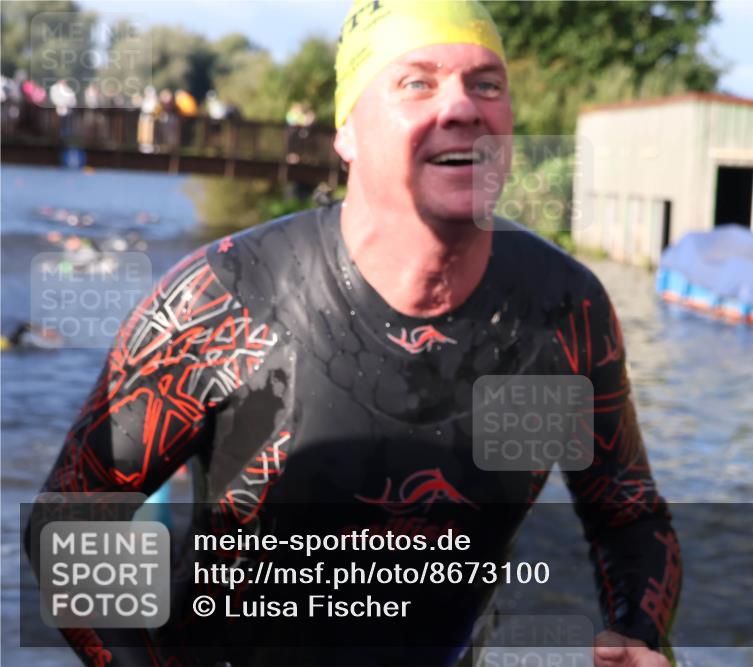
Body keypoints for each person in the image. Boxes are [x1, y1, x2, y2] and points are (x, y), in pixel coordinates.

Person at [25, 1, 681, 665]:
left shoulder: (561, 313)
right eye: (415, 82)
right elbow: (70, 519)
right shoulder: (223, 301)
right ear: (347, 130)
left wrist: (637, 637)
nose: (461, 108)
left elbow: (627, 516)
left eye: (487, 84)